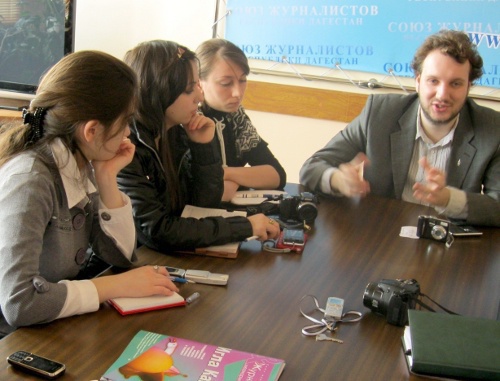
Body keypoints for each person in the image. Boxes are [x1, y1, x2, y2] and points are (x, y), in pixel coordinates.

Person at [0, 50, 179, 338]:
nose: (128, 134)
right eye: (126, 122)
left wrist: (107, 177)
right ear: (92, 131)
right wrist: (113, 287)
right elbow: (20, 303)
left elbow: (120, 257)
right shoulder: (31, 180)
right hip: (12, 342)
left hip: (48, 329)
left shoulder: (77, 163)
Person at [300, 30, 500, 227]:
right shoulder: (380, 114)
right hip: (383, 237)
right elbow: (311, 168)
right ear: (418, 81)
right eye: (433, 81)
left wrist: (449, 199)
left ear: (469, 87)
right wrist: (337, 180)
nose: (442, 94)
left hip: (449, 242)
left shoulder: (491, 128)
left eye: (455, 84)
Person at [118, 40, 280, 253]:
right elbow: (158, 231)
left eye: (197, 85)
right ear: (159, 91)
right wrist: (245, 226)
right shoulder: (126, 146)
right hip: (134, 260)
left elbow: (202, 207)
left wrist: (203, 147)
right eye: (188, 89)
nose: (199, 96)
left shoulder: (178, 131)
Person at [196, 38, 287, 201]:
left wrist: (226, 173)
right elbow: (213, 193)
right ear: (199, 82)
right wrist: (242, 177)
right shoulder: (191, 120)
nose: (238, 92)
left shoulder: (236, 117)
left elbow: (276, 175)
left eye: (243, 80)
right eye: (226, 83)